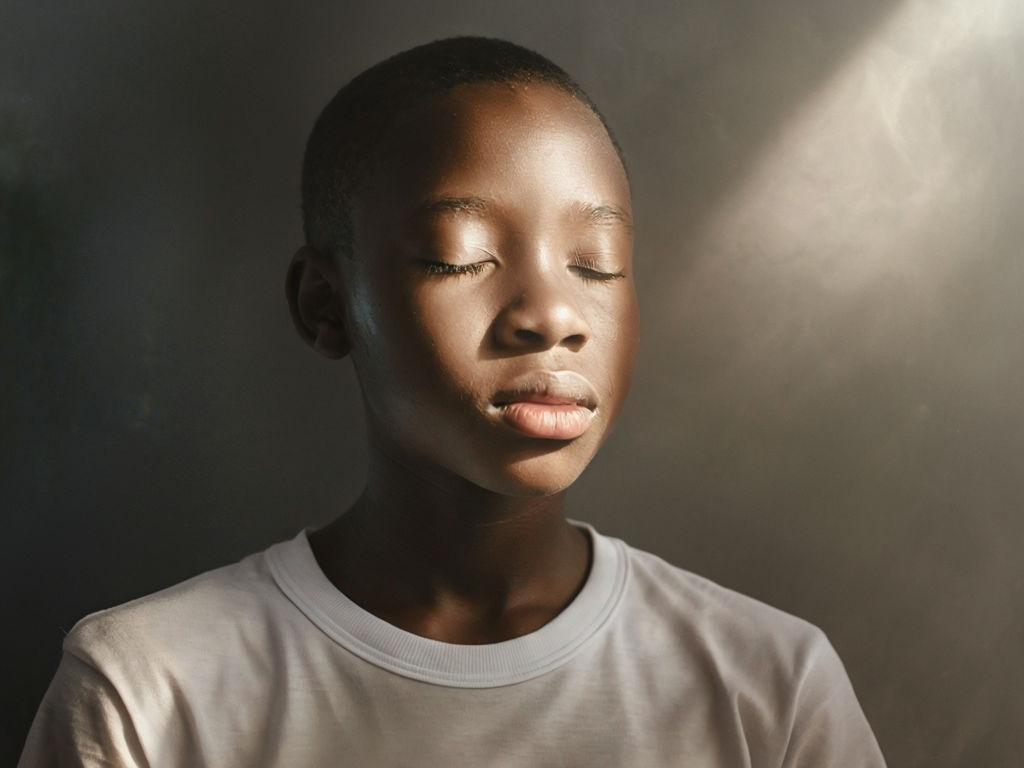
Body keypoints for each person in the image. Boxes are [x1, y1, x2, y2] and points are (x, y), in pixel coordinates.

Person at [20, 37, 887, 767]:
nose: (551, 315)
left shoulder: (769, 687)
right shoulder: (149, 692)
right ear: (327, 305)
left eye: (595, 264)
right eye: (460, 257)